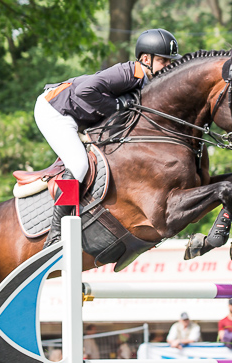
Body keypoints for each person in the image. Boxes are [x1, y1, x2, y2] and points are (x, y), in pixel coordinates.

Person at [35, 29, 182, 246]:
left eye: (170, 61)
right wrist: (117, 105)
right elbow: (85, 91)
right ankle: (56, 232)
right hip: (56, 110)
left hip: (77, 114)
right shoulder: (127, 73)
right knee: (78, 165)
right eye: (163, 61)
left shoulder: (147, 82)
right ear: (145, 59)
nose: (168, 66)